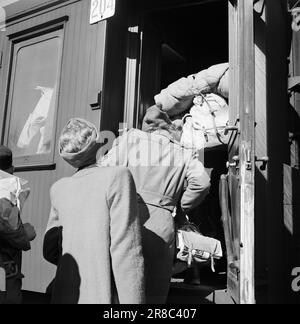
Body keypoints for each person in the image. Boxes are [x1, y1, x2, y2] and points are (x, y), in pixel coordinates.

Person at [100, 105, 211, 304]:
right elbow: (202, 184)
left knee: (119, 286)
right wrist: (179, 207)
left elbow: (103, 172)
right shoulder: (183, 152)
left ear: (146, 126)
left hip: (125, 216)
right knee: (154, 291)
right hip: (162, 222)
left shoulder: (129, 140)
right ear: (169, 128)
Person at [43, 118, 145, 304]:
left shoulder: (58, 188)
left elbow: (49, 250)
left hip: (66, 293)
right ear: (97, 144)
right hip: (102, 294)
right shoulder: (117, 176)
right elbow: (127, 249)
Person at [0, 145, 36, 304]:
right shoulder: (8, 189)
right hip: (7, 252)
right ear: (12, 169)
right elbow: (10, 227)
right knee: (12, 282)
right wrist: (26, 235)